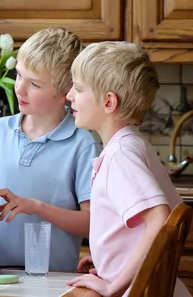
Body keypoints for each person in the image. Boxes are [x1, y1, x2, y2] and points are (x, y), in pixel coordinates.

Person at [66, 42, 188, 296]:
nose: (69, 96)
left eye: (78, 88)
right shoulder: (132, 144)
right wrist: (109, 261)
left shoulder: (121, 155)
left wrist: (114, 284)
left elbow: (159, 219)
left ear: (109, 101)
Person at [0, 27, 102, 272]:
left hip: (53, 279)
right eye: (19, 75)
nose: (19, 88)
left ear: (65, 93)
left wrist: (37, 207)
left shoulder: (83, 144)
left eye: (35, 84)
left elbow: (93, 223)